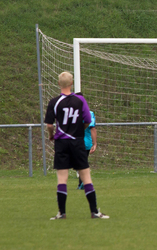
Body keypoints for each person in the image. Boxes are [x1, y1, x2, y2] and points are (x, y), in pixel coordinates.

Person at [44, 72, 109, 219]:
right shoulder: (80, 101)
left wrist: (51, 135)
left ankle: (62, 213)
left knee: (62, 179)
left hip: (61, 143)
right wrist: (79, 130)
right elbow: (87, 120)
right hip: (77, 142)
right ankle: (94, 212)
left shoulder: (54, 102)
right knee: (86, 176)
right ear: (71, 84)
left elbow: (49, 124)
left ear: (59, 84)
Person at [75, 92, 97, 190]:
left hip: (76, 142)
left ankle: (82, 183)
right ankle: (82, 182)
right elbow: (92, 128)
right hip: (87, 143)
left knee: (79, 163)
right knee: (81, 162)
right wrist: (94, 143)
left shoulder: (73, 113)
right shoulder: (90, 113)